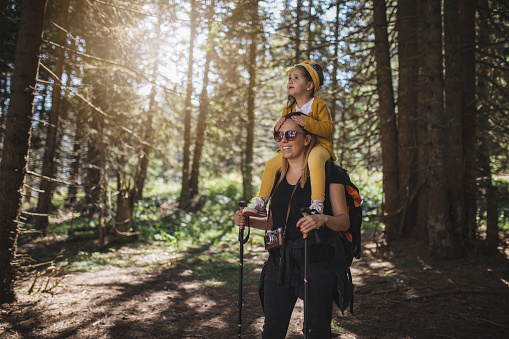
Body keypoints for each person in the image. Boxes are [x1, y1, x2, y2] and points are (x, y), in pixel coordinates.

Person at [234, 114, 353, 338]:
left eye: (290, 134)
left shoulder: (329, 173)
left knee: (316, 331)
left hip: (316, 263)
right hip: (279, 261)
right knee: (271, 331)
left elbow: (343, 221)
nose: (283, 140)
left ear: (307, 139)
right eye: (279, 135)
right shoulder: (277, 174)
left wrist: (322, 219)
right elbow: (274, 221)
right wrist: (247, 220)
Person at [243, 60, 335, 217]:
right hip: (297, 150)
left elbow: (328, 129)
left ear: (309, 85)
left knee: (314, 159)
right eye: (289, 78)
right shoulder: (289, 108)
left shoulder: (319, 105)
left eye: (296, 78)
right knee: (272, 163)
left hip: (319, 147)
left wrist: (309, 123)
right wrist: (277, 127)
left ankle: (317, 203)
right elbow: (281, 132)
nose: (290, 81)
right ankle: (261, 202)